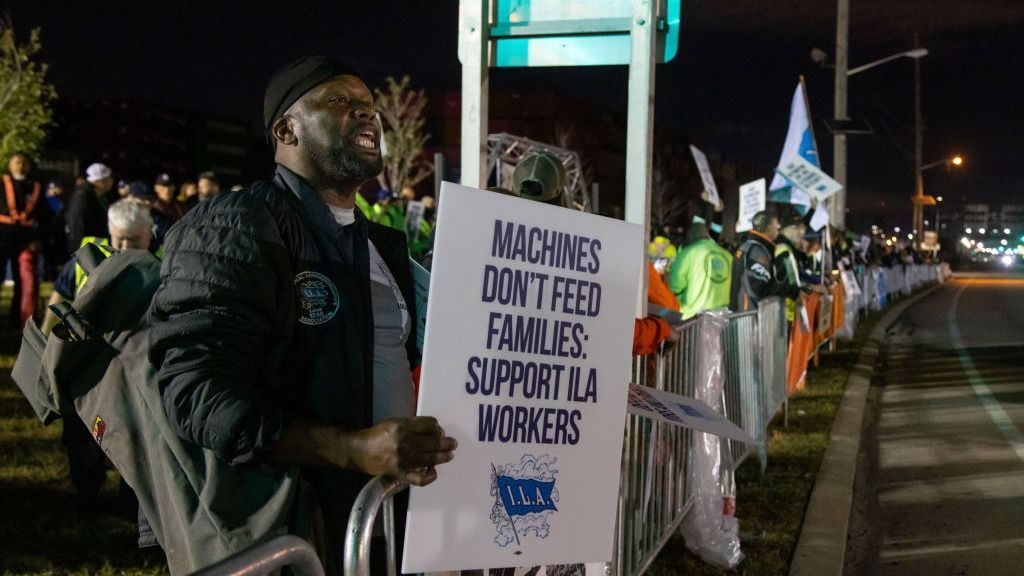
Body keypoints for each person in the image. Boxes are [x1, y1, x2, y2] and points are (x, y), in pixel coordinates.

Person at [147, 55, 456, 575]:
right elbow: (195, 392)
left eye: (369, 106)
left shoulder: (378, 244)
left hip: (381, 526)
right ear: (285, 129)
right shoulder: (236, 227)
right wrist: (351, 449)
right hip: (300, 530)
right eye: (340, 102)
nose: (365, 115)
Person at [0, 152, 51, 327]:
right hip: (3, 238)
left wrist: (38, 239)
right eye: (16, 162)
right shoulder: (2, 183)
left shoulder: (36, 187)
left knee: (27, 282)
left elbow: (44, 217)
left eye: (24, 163)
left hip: (26, 241)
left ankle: (23, 321)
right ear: (10, 165)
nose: (20, 166)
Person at [667, 219, 733, 319]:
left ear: (691, 235)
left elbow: (674, 288)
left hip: (693, 319)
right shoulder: (728, 256)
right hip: (723, 317)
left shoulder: (686, 254)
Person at [729, 210, 783, 312]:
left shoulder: (751, 247)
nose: (779, 227)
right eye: (776, 224)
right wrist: (783, 289)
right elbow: (756, 287)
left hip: (743, 314)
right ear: (768, 227)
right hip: (748, 317)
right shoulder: (757, 251)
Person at [65, 163, 117, 255]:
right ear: (100, 180)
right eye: (109, 178)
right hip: (86, 254)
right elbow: (77, 228)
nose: (112, 181)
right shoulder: (83, 198)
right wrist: (79, 255)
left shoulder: (98, 196)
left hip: (96, 249)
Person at [150, 173, 187, 245]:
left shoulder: (182, 206)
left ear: (174, 187)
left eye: (169, 186)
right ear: (156, 188)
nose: (167, 189)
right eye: (163, 186)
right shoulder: (151, 207)